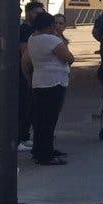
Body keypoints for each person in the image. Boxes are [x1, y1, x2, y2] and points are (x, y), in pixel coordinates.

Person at [23, 12, 74, 165]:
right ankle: (45, 154)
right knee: (49, 120)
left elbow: (26, 60)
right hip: (54, 82)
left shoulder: (32, 38)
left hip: (39, 81)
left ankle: (41, 149)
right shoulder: (52, 40)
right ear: (50, 25)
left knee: (41, 119)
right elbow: (69, 58)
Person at [16, 1, 44, 152]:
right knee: (24, 106)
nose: (38, 16)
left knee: (29, 107)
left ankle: (25, 136)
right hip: (24, 74)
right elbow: (24, 52)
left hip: (32, 73)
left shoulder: (34, 29)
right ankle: (20, 137)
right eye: (36, 13)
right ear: (28, 13)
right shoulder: (24, 30)